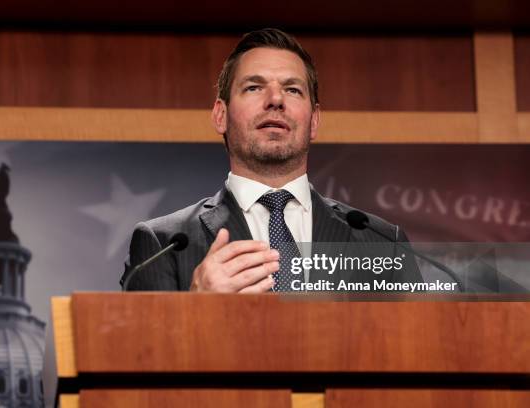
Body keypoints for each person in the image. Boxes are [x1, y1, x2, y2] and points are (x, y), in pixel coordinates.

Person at [123, 28, 423, 292]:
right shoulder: (163, 244)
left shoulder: (382, 243)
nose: (275, 99)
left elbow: (419, 351)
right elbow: (139, 355)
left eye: (292, 89)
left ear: (314, 120)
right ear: (221, 115)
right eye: (254, 87)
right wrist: (196, 308)